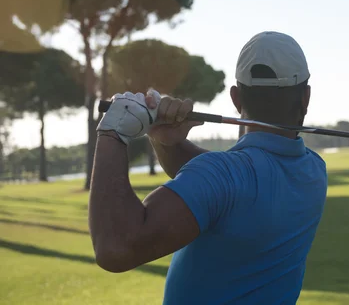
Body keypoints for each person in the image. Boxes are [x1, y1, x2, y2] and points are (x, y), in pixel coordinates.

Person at [89, 31, 328, 304]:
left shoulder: (225, 177)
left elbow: (115, 248)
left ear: (236, 99)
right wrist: (168, 143)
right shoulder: (313, 171)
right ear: (305, 97)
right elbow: (220, 188)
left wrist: (112, 132)